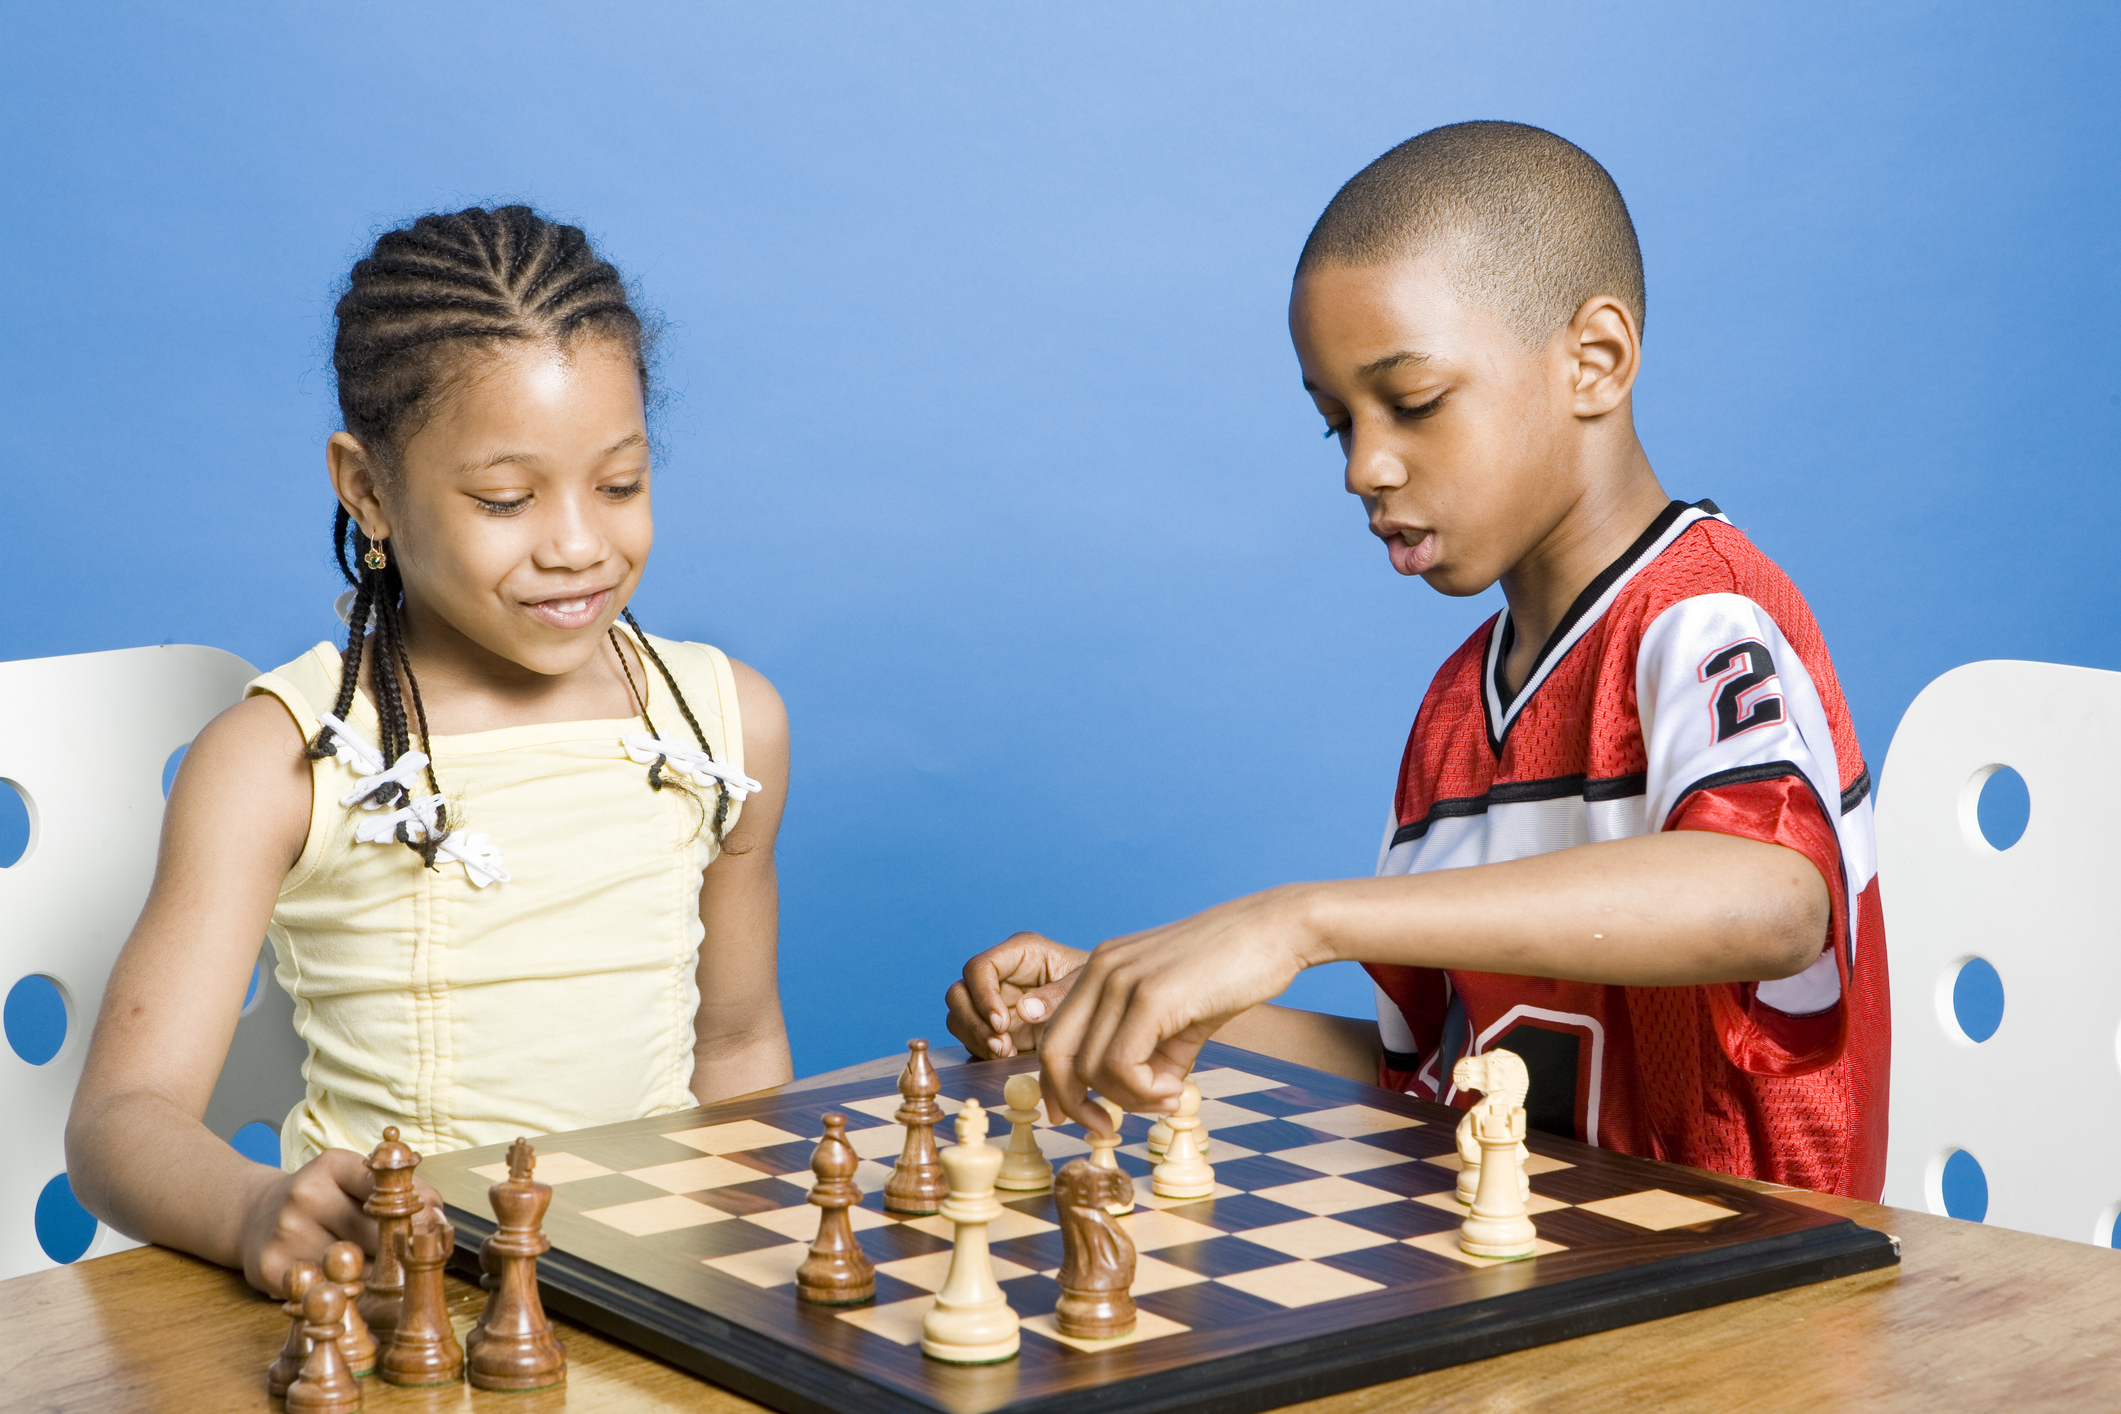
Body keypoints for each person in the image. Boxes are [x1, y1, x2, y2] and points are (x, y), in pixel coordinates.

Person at [945, 123, 1888, 1200]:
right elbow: (1428, 1078)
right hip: (1544, 1285)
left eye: (1415, 401)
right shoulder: (1455, 710)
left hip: (1746, 1307)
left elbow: (1772, 901)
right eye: (1335, 422)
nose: (1364, 465)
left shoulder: (1703, 617)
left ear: (1597, 361)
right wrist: (1142, 1000)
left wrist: (1298, 918)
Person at [66, 206, 793, 1295]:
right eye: (505, 498)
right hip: (400, 1302)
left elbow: (734, 1051)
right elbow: (121, 1121)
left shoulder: (722, 724)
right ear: (367, 488)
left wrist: (758, 1283)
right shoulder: (286, 757)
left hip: (649, 1296)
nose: (579, 544)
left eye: (622, 483)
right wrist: (254, 1205)